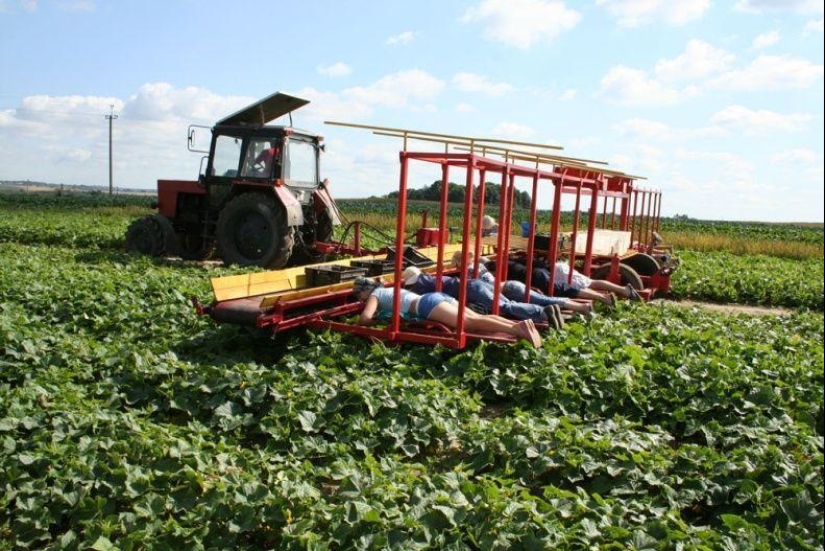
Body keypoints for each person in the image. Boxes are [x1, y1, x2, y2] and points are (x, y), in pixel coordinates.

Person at [352, 276, 542, 348]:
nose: (360, 299)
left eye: (359, 295)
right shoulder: (388, 289)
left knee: (468, 325)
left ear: (365, 290)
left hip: (425, 305)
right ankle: (517, 325)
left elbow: (365, 318)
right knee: (477, 317)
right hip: (435, 297)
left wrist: (364, 326)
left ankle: (517, 329)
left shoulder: (374, 295)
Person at [402, 265, 566, 330]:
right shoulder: (429, 278)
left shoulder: (419, 285)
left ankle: (543, 313)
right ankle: (547, 310)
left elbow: (421, 303)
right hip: (476, 284)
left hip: (471, 288)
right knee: (508, 304)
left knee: (503, 308)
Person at [451, 251, 595, 318]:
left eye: (456, 265)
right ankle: (579, 306)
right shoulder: (480, 266)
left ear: (459, 263)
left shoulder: (468, 273)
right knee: (544, 299)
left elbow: (476, 290)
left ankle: (545, 314)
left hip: (507, 290)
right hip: (511, 284)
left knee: (514, 308)